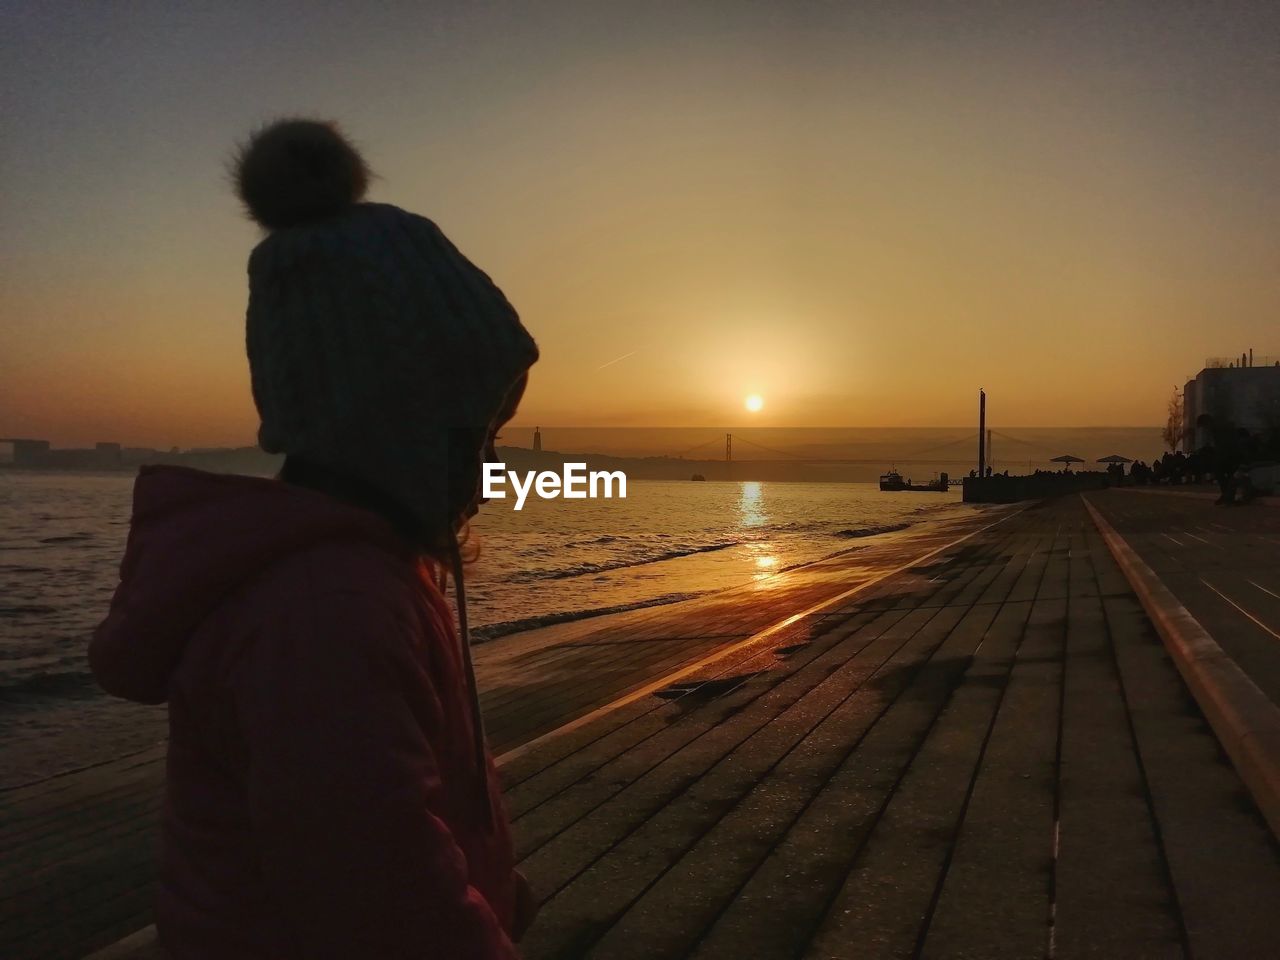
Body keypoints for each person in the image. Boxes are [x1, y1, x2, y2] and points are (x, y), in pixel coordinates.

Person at [89, 119, 538, 958]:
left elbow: (398, 816)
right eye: (475, 436)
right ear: (392, 427)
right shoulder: (325, 614)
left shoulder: (366, 575)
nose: (488, 466)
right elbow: (384, 904)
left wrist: (493, 886)